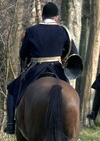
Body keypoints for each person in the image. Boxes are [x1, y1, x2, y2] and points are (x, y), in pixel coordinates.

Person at [5, 2, 78, 134]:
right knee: (72, 95)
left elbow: (23, 54)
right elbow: (73, 53)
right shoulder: (64, 31)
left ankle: (10, 124)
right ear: (56, 17)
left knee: (11, 90)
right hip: (57, 70)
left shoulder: (32, 30)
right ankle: (76, 123)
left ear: (43, 16)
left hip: (36, 69)